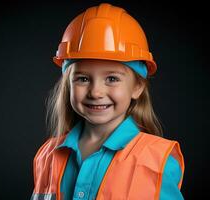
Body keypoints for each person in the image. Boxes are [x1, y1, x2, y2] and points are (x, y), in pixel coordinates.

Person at [31, 3, 184, 200]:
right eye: (83, 79)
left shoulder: (157, 160)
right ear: (68, 85)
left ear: (137, 87)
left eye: (112, 79)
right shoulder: (47, 156)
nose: (96, 92)